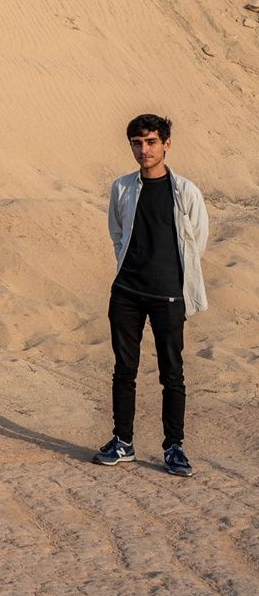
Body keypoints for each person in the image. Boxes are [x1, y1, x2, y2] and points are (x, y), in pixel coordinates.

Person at [93, 114, 208, 476]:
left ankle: (174, 447)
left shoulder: (186, 191)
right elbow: (117, 232)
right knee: (124, 369)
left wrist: (171, 279)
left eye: (151, 142)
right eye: (137, 143)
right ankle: (123, 441)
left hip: (169, 296)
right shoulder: (122, 187)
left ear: (166, 144)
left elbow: (197, 242)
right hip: (126, 292)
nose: (144, 150)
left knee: (172, 373)